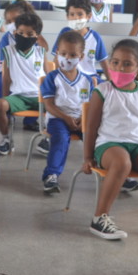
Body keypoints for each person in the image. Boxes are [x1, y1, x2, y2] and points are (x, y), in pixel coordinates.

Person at [83, 40, 138, 240]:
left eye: (127, 64)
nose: (119, 68)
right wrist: (88, 156)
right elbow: (91, 127)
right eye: (115, 62)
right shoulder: (102, 91)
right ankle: (99, 218)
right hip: (109, 145)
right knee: (122, 161)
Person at [40, 31, 94, 194]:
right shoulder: (51, 78)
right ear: (57, 53)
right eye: (63, 54)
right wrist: (67, 118)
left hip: (82, 119)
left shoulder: (87, 80)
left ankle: (114, 171)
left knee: (100, 137)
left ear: (81, 57)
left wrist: (82, 119)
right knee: (61, 139)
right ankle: (51, 175)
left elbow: (92, 105)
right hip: (58, 118)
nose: (67, 58)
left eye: (72, 54)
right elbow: (49, 105)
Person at [0, 12, 46, 156]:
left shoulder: (41, 52)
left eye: (30, 34)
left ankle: (47, 138)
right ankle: (6, 139)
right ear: (15, 32)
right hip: (18, 96)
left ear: (37, 36)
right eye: (21, 32)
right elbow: (6, 79)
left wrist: (50, 97)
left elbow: (49, 78)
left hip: (39, 96)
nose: (24, 37)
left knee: (56, 105)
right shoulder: (8, 51)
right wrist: (5, 100)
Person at [52, 0, 108, 81]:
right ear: (67, 16)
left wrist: (112, 84)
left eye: (80, 14)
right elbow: (56, 58)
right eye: (72, 14)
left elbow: (104, 63)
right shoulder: (64, 33)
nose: (76, 18)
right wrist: (54, 78)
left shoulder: (95, 37)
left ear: (88, 16)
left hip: (89, 77)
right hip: (67, 77)